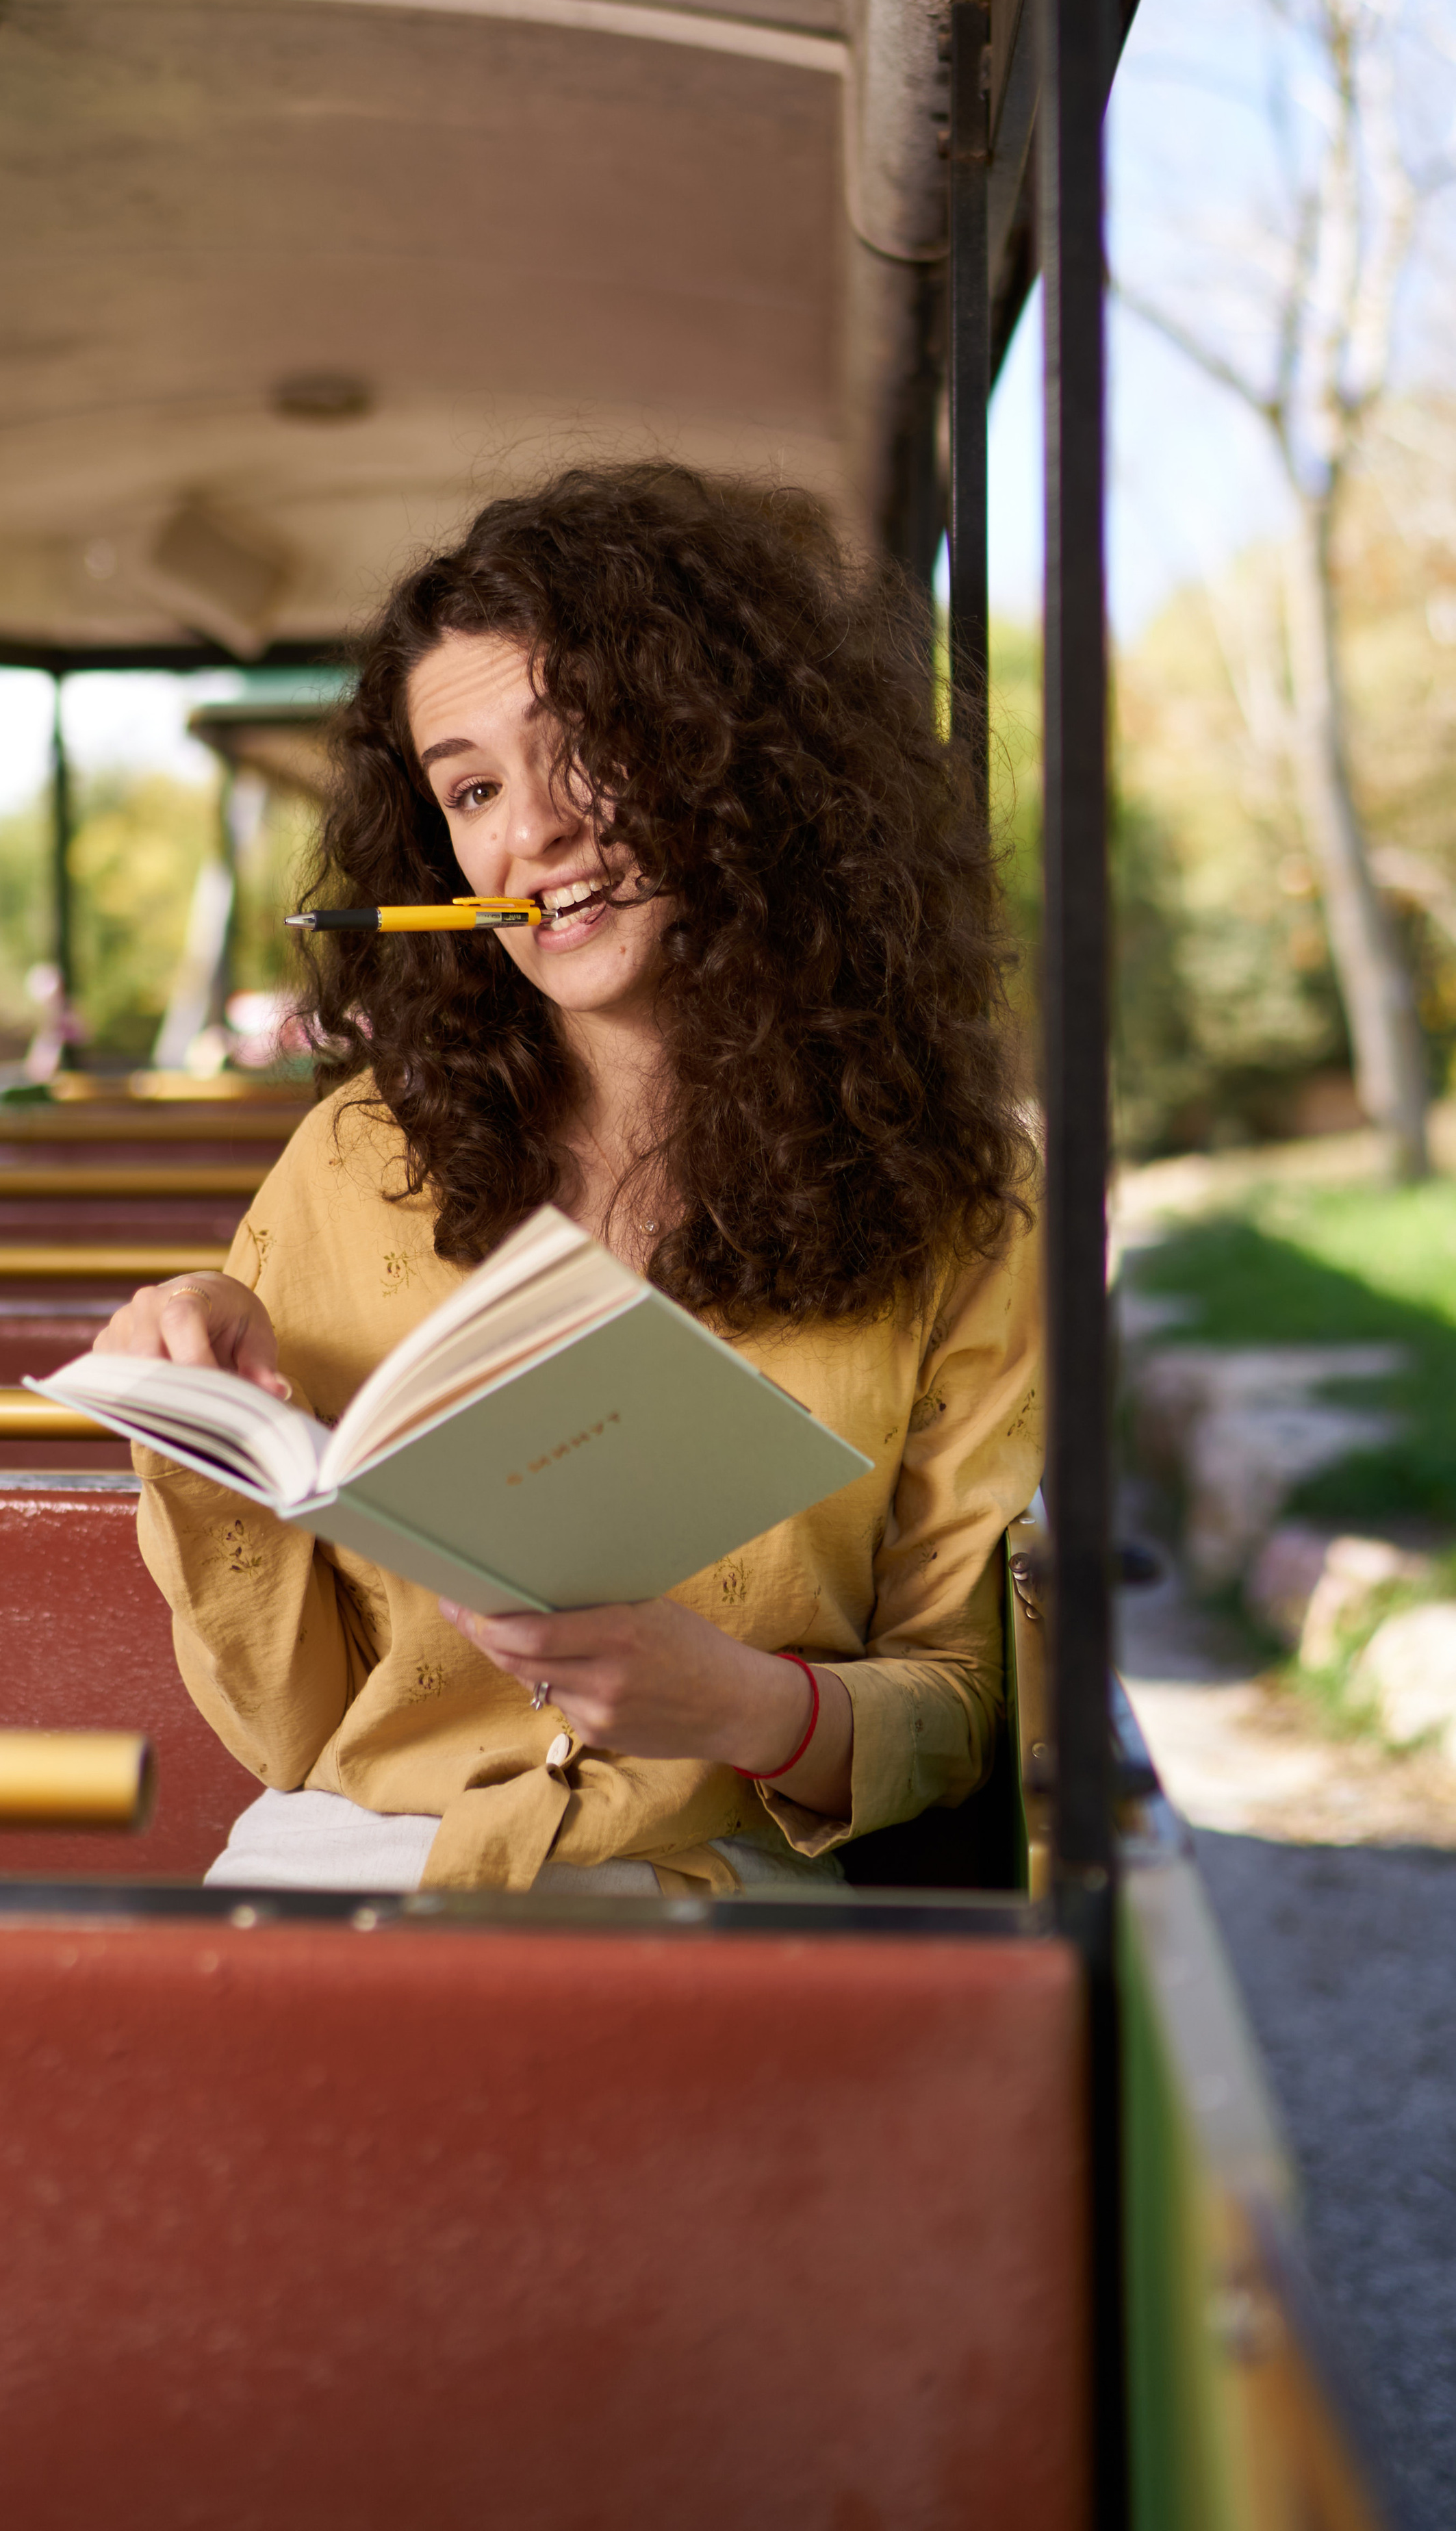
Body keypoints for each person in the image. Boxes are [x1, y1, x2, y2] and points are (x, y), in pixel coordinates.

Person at [98, 463, 1043, 1896]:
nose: (527, 832)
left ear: (736, 754)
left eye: (583, 744)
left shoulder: (962, 1204)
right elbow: (283, 1731)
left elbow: (968, 1703)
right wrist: (194, 1427)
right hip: (349, 1869)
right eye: (470, 788)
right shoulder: (355, 1160)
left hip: (721, 1892)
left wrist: (741, 1705)